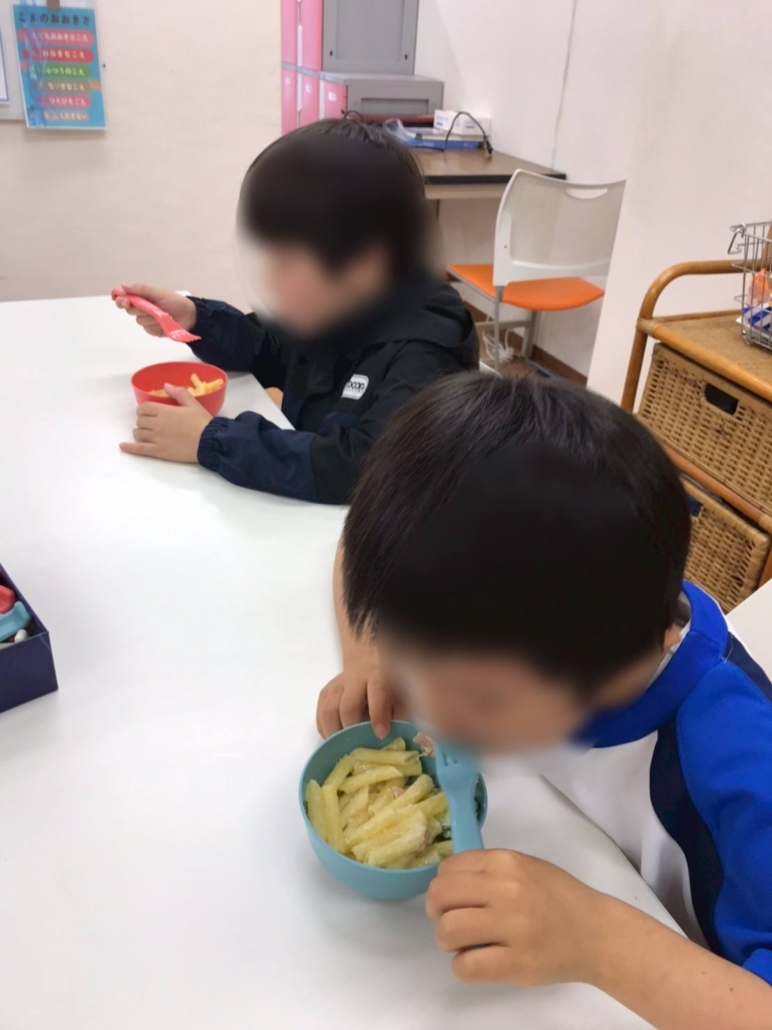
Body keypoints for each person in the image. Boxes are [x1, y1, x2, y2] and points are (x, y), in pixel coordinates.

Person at [317, 372, 772, 1030]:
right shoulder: (573, 603)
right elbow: (356, 543)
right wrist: (372, 655)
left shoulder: (738, 763)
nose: (433, 716)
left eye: (476, 700)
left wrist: (598, 940)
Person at [113, 119, 478, 504]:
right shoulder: (343, 305)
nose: (270, 275)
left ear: (364, 262)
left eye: (286, 261)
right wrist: (193, 317)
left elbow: (361, 465)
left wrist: (211, 439)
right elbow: (267, 345)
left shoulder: (427, 352)